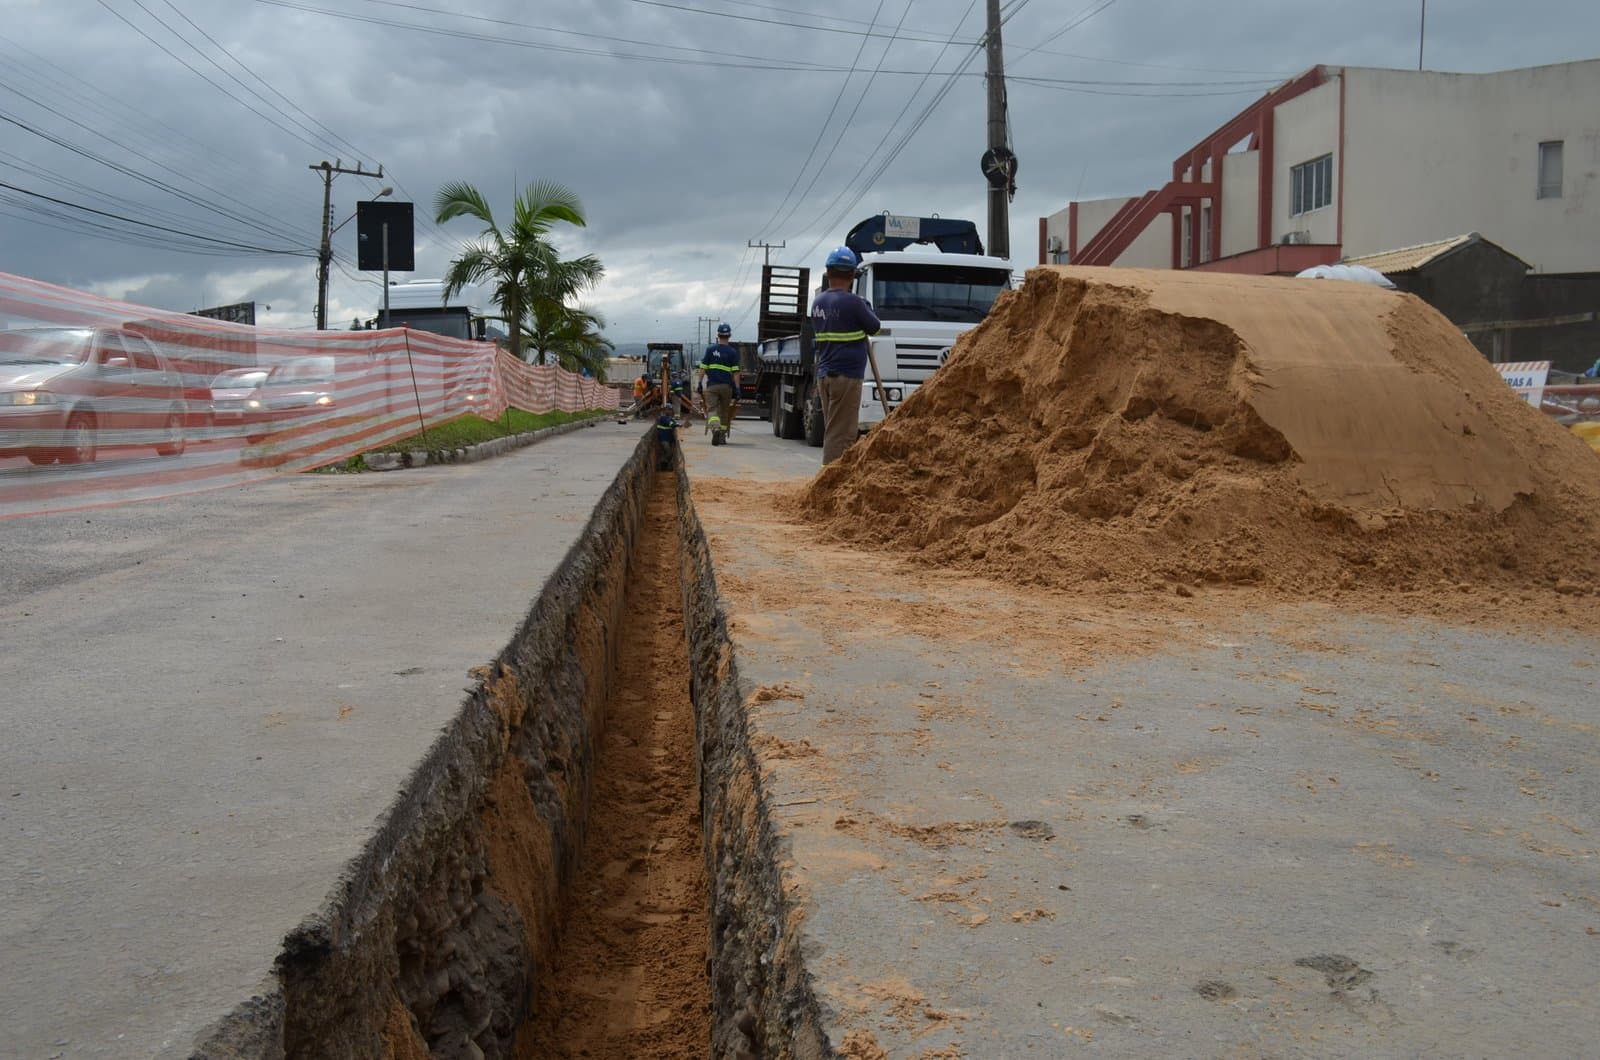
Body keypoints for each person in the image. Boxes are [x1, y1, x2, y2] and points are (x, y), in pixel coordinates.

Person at [810, 245, 881, 464]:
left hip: (825, 375)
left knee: (833, 425)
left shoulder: (818, 302)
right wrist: (865, 307)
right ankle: (830, 478)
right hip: (847, 376)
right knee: (842, 432)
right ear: (852, 274)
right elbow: (875, 327)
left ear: (828, 272)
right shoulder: (855, 302)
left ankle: (832, 475)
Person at [700, 322, 741, 446]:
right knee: (724, 411)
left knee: (712, 409)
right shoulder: (732, 352)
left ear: (718, 335)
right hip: (726, 387)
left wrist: (699, 383)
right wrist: (738, 389)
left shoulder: (710, 350)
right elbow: (736, 373)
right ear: (729, 336)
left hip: (712, 386)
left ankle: (715, 428)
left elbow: (702, 368)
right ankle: (722, 437)